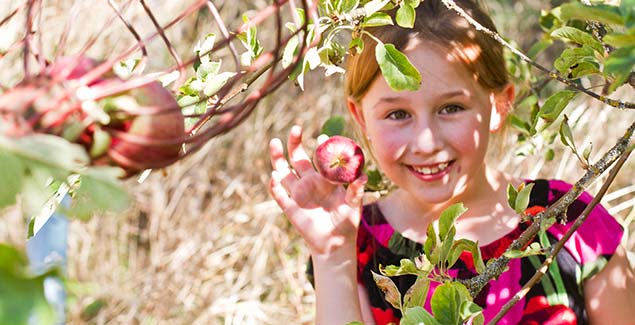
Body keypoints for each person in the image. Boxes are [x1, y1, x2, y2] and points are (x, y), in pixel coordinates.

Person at [268, 0, 635, 324]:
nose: (426, 142)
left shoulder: (569, 220)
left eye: (451, 108)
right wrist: (332, 256)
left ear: (498, 106)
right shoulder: (358, 246)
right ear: (361, 118)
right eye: (397, 114)